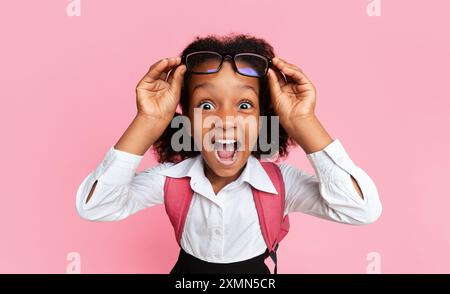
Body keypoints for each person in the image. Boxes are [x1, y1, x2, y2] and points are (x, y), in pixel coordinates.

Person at [76, 33, 382, 274]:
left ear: (264, 118)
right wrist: (149, 121)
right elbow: (96, 207)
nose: (225, 120)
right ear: (187, 121)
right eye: (206, 106)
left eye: (245, 105)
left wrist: (303, 121)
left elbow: (360, 210)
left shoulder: (281, 184)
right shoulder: (171, 180)